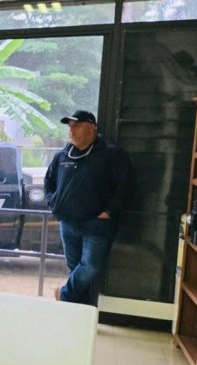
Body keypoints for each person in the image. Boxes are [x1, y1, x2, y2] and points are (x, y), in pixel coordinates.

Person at [45, 110, 133, 306]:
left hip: (97, 224)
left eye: (76, 125)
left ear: (91, 127)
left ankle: (64, 295)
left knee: (90, 267)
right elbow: (49, 181)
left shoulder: (111, 154)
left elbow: (125, 186)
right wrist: (53, 202)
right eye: (69, 126)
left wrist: (108, 212)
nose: (71, 130)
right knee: (74, 267)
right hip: (68, 222)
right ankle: (78, 311)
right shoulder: (62, 155)